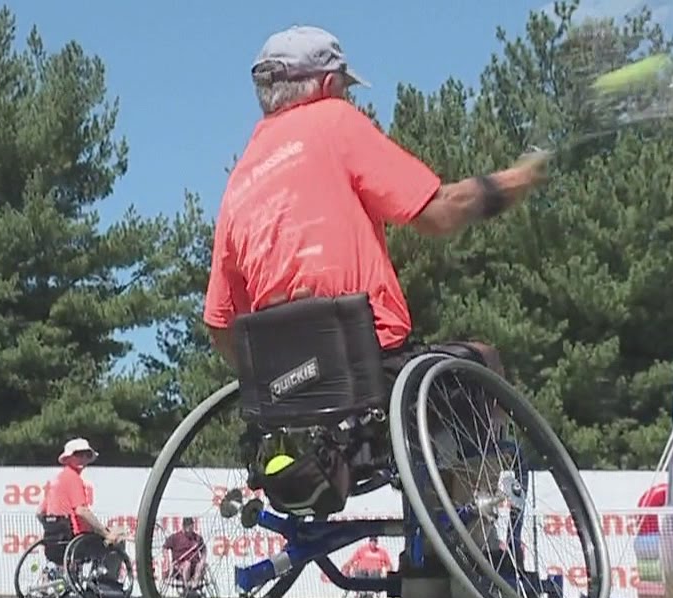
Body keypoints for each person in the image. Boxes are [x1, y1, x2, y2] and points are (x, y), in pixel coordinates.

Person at [204, 25, 541, 376]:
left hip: (291, 381)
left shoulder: (239, 180)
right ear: (328, 84)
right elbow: (440, 212)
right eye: (344, 88)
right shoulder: (333, 121)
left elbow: (219, 322)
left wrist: (269, 377)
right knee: (485, 359)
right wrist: (519, 179)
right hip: (367, 358)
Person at [37, 438, 127, 590]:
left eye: (86, 454)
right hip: (78, 541)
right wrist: (105, 533)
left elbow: (40, 512)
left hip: (55, 543)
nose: (83, 458)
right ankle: (105, 582)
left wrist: (53, 528)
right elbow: (82, 511)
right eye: (79, 454)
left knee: (110, 533)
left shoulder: (56, 480)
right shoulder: (74, 479)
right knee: (119, 537)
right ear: (68, 457)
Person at [162, 517, 208, 592]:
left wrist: (203, 560)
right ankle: (187, 588)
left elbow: (204, 549)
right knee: (187, 564)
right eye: (188, 526)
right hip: (180, 565)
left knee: (200, 565)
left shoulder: (197, 538)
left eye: (191, 526)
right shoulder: (175, 537)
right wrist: (167, 560)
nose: (190, 529)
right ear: (184, 526)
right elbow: (165, 547)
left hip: (195, 564)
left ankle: (194, 585)